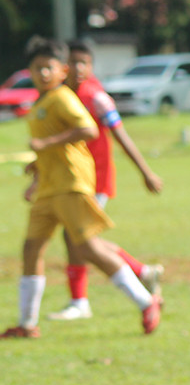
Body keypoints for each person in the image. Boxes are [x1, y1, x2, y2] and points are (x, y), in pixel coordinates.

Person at [1, 36, 163, 340]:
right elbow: (54, 142)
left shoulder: (62, 97)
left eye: (49, 68)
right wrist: (37, 167)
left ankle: (145, 301)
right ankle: (26, 324)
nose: (43, 74)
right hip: (49, 189)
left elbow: (88, 129)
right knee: (31, 248)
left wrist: (45, 144)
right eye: (37, 69)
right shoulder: (41, 103)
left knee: (86, 247)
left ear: (61, 71)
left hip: (71, 184)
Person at [47, 39, 164, 321]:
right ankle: (143, 272)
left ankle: (80, 302)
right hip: (71, 179)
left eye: (83, 63)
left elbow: (121, 136)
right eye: (72, 62)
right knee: (82, 238)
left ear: (91, 66)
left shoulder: (97, 97)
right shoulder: (60, 96)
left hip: (96, 181)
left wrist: (145, 172)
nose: (77, 68)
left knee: (77, 237)